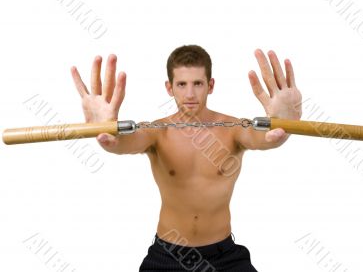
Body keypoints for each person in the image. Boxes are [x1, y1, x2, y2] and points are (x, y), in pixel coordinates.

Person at [70, 45, 302, 271]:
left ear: (210, 86)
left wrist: (284, 124)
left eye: (198, 83)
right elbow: (123, 143)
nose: (190, 94)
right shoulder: (157, 132)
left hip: (224, 257)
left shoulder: (233, 129)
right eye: (181, 84)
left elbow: (265, 138)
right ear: (169, 87)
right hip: (168, 256)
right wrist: (109, 134)